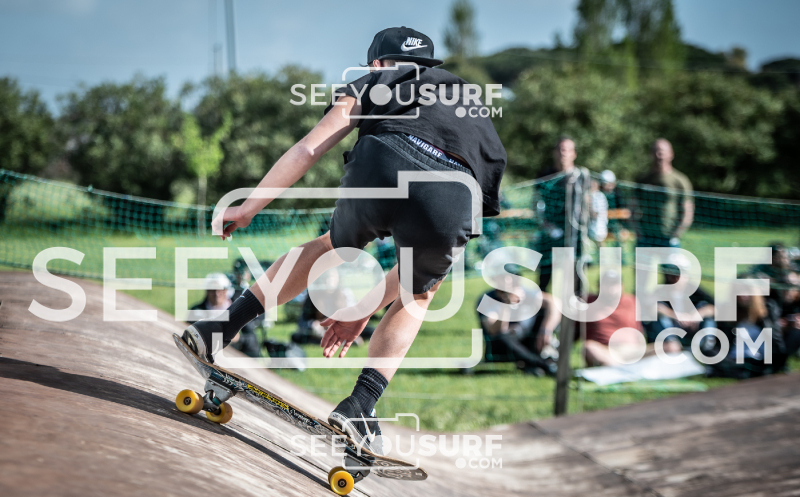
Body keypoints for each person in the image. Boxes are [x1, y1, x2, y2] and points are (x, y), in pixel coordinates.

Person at [180, 26, 506, 454]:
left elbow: (308, 149)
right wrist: (364, 308)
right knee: (419, 293)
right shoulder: (469, 101)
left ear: (377, 63)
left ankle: (219, 327)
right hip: (455, 190)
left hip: (383, 162)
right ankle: (360, 404)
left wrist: (248, 207)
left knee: (330, 246)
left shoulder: (375, 80)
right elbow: (467, 206)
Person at [533, 136, 591, 293]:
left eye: (567, 150)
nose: (563, 153)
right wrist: (546, 226)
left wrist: (585, 227)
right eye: (560, 149)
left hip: (574, 233)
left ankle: (576, 305)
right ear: (554, 153)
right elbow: (536, 203)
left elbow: (587, 203)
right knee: (545, 274)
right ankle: (543, 306)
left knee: (576, 273)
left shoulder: (581, 175)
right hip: (551, 233)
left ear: (574, 154)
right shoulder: (544, 175)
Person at [477, 272, 561, 376]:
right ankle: (545, 365)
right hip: (502, 347)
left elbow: (555, 303)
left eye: (512, 276)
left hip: (527, 340)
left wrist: (546, 330)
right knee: (502, 338)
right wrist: (506, 304)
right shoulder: (487, 299)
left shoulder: (524, 292)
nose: (508, 280)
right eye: (503, 277)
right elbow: (495, 330)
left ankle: (533, 363)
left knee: (544, 312)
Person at [642, 261, 716, 354]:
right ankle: (671, 344)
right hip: (672, 329)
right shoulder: (661, 290)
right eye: (672, 275)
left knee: (705, 310)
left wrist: (697, 315)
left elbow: (714, 307)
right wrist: (675, 315)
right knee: (661, 315)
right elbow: (651, 306)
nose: (675, 278)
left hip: (693, 329)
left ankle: (707, 347)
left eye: (678, 275)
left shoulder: (694, 290)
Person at [633, 139, 694, 249]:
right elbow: (632, 207)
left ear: (671, 154)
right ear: (651, 154)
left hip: (668, 237)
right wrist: (637, 231)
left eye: (662, 152)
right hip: (645, 236)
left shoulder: (680, 180)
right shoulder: (642, 179)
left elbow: (688, 210)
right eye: (655, 151)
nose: (659, 155)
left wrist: (677, 234)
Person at [583, 270, 649, 366]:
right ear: (599, 286)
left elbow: (639, 329)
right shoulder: (589, 302)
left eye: (615, 284)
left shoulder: (632, 301)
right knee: (589, 347)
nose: (611, 289)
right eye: (607, 285)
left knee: (668, 347)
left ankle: (627, 368)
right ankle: (619, 368)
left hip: (634, 351)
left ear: (622, 286)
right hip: (606, 351)